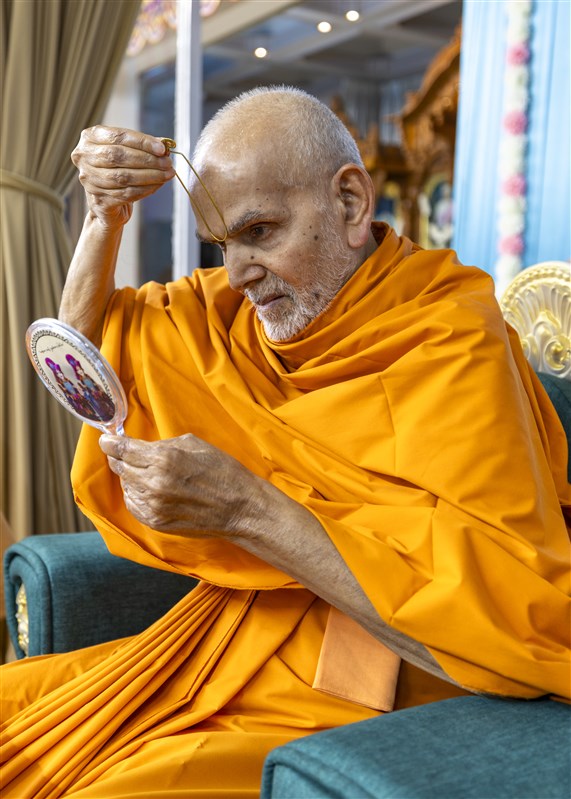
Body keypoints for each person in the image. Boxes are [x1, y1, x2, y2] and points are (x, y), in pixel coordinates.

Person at [1, 86, 569, 798]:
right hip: (230, 640)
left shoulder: (448, 336)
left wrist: (247, 510)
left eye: (260, 231)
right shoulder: (236, 314)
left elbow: (512, 620)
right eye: (222, 245)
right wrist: (102, 218)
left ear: (350, 203)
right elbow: (81, 360)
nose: (238, 274)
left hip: (366, 682)